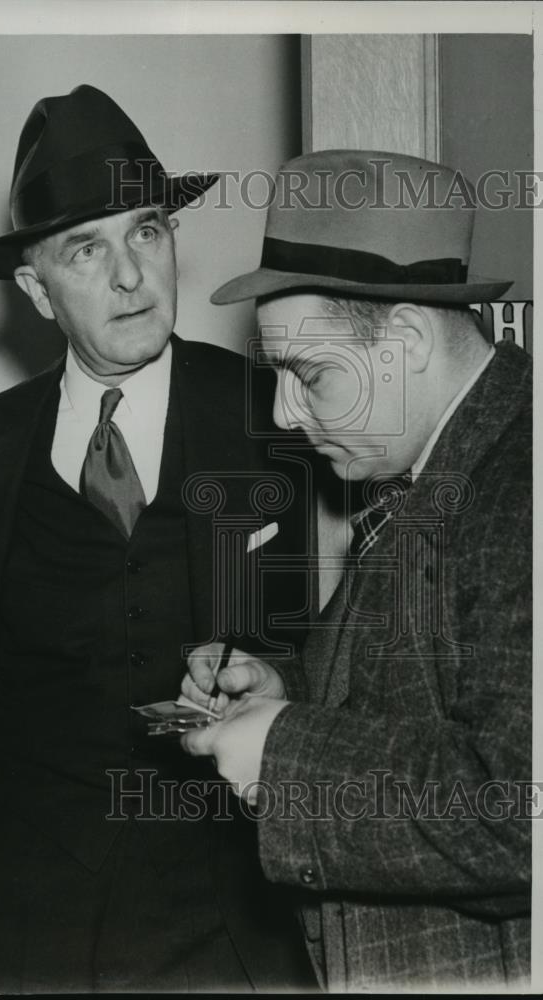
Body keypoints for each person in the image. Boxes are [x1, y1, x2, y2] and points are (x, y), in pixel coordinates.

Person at [0, 86, 315, 993]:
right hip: (19, 907)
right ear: (35, 289)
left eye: (147, 231)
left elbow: (313, 637)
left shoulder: (270, 416)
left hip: (231, 900)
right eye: (86, 248)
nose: (129, 276)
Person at [181, 149, 531, 992]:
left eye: (308, 375)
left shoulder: (522, 485)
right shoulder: (430, 470)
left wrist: (284, 753)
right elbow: (419, 696)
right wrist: (282, 689)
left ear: (407, 339)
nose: (280, 414)